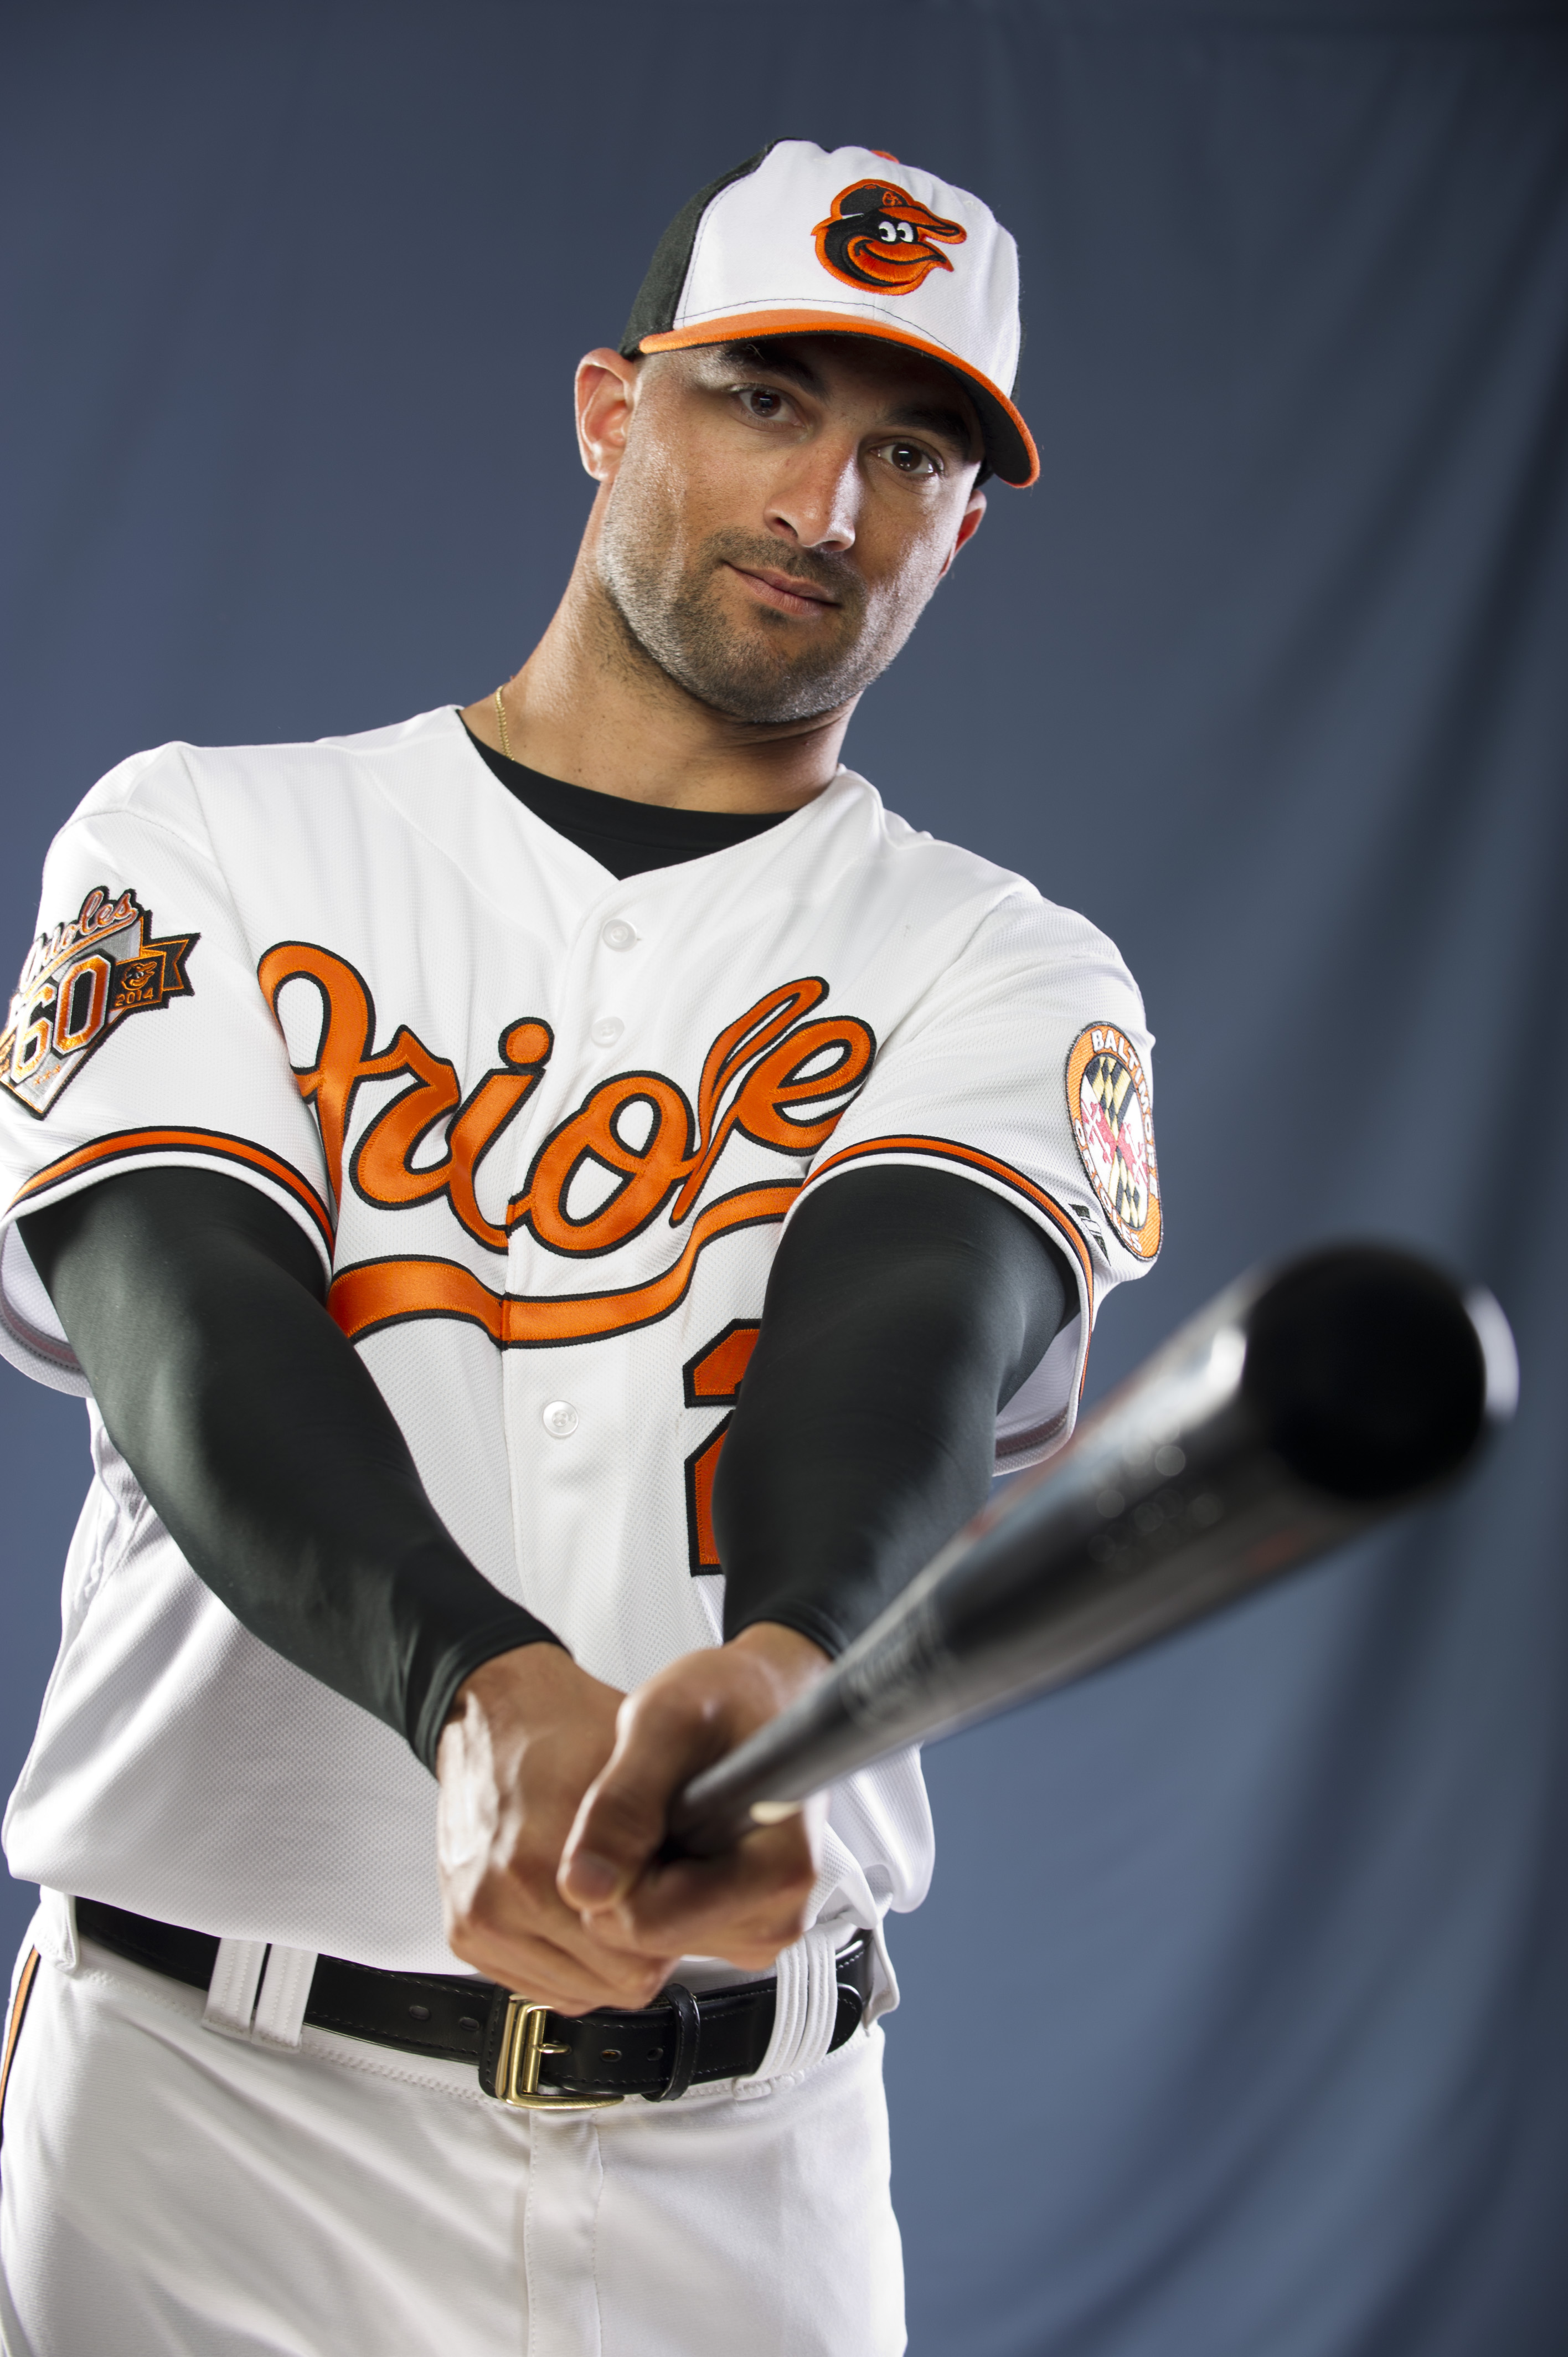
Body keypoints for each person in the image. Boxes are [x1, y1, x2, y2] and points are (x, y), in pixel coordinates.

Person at [0, 140, 1161, 2355]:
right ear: (612, 407)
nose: (827, 504)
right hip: (204, 2121)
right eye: (769, 401)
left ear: (967, 524)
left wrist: (798, 1656)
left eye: (909, 449)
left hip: (749, 2156)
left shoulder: (1008, 965)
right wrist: (481, 1684)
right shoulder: (211, 837)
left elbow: (907, 1321)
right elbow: (180, 1300)